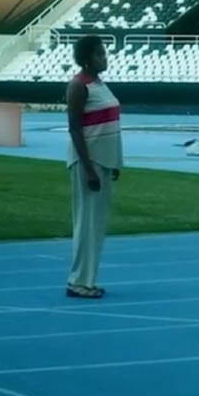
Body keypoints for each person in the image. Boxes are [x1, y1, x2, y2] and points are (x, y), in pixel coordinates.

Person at [65, 34, 122, 298]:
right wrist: (89, 169)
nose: (104, 57)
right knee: (87, 223)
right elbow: (75, 128)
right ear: (87, 58)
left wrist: (114, 162)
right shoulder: (79, 86)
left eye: (104, 53)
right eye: (99, 54)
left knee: (96, 225)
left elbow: (107, 125)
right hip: (88, 162)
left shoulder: (99, 83)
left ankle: (87, 279)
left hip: (103, 161)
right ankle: (78, 281)